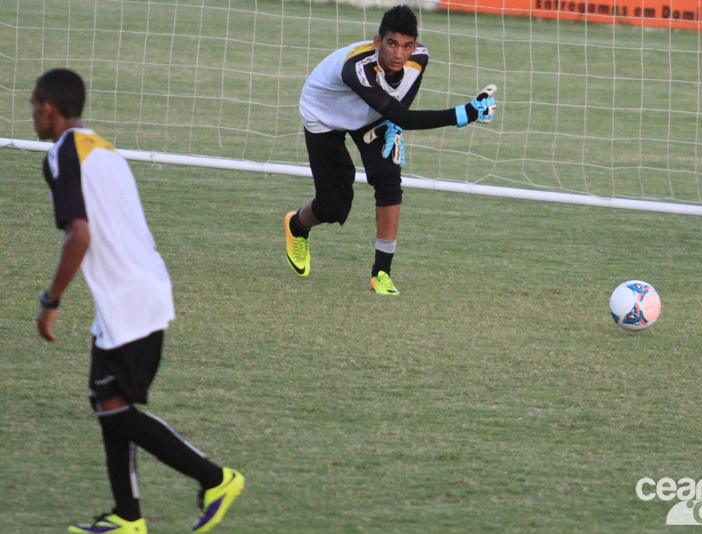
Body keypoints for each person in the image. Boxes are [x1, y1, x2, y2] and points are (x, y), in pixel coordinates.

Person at [32, 68, 244, 534]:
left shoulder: (61, 155)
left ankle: (216, 479)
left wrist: (52, 300)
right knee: (108, 400)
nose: (33, 117)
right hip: (140, 289)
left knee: (115, 410)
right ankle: (127, 516)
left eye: (34, 107)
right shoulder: (104, 149)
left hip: (128, 298)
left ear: (48, 108)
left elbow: (80, 235)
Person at [285, 4, 496, 295]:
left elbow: (400, 102)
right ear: (377, 42)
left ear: (415, 45)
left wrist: (392, 125)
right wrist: (465, 113)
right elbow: (404, 117)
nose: (399, 54)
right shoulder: (356, 68)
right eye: (392, 44)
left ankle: (381, 273)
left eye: (407, 45)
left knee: (388, 179)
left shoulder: (419, 58)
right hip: (324, 115)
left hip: (373, 113)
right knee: (334, 205)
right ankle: (297, 225)